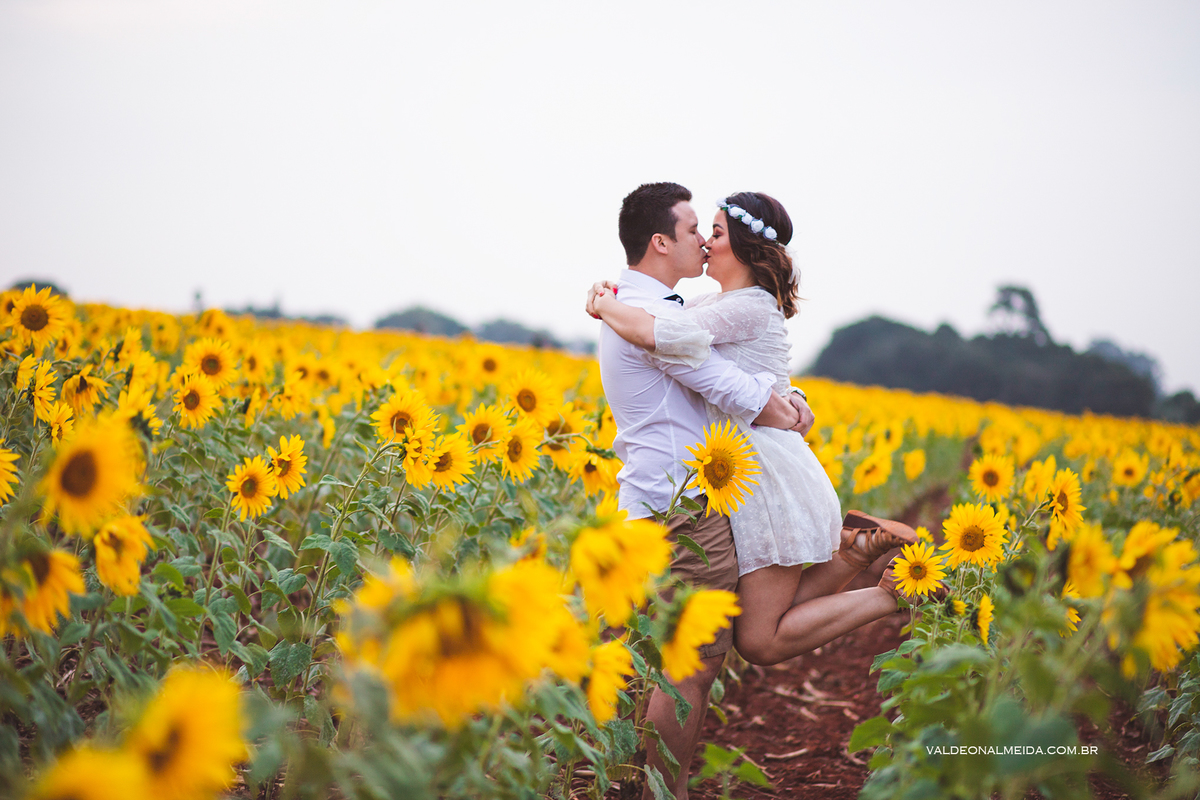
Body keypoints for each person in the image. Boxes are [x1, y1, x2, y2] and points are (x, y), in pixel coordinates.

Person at [594, 183, 906, 800]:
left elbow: (678, 343)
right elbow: (700, 357)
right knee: (737, 642)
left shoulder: (710, 309)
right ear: (661, 242)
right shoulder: (693, 308)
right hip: (718, 488)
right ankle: (860, 558)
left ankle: (659, 790)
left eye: (713, 230)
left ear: (740, 242)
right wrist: (782, 402)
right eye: (696, 230)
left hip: (751, 481)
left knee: (743, 640)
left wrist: (604, 304)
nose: (704, 240)